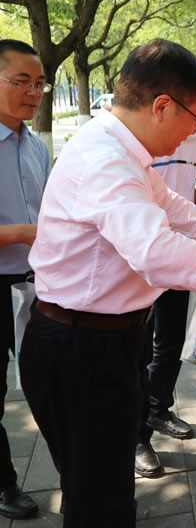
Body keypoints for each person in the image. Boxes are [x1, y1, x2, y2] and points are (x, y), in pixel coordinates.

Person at [18, 39, 196, 528]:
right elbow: (155, 251)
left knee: (102, 483)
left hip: (106, 340)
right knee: (98, 499)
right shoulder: (105, 158)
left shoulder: (124, 150)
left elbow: (169, 205)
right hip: (82, 348)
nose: (195, 131)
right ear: (162, 106)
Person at [134, 64, 196, 478]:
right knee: (139, 350)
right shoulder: (138, 142)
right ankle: (136, 437)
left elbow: (181, 199)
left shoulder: (194, 134)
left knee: (170, 343)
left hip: (180, 254)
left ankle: (159, 409)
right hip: (146, 258)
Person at [0, 39, 50, 520]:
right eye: (22, 81)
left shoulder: (37, 146)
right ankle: (4, 483)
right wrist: (20, 232)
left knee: (52, 383)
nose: (33, 92)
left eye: (39, 84)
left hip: (38, 283)